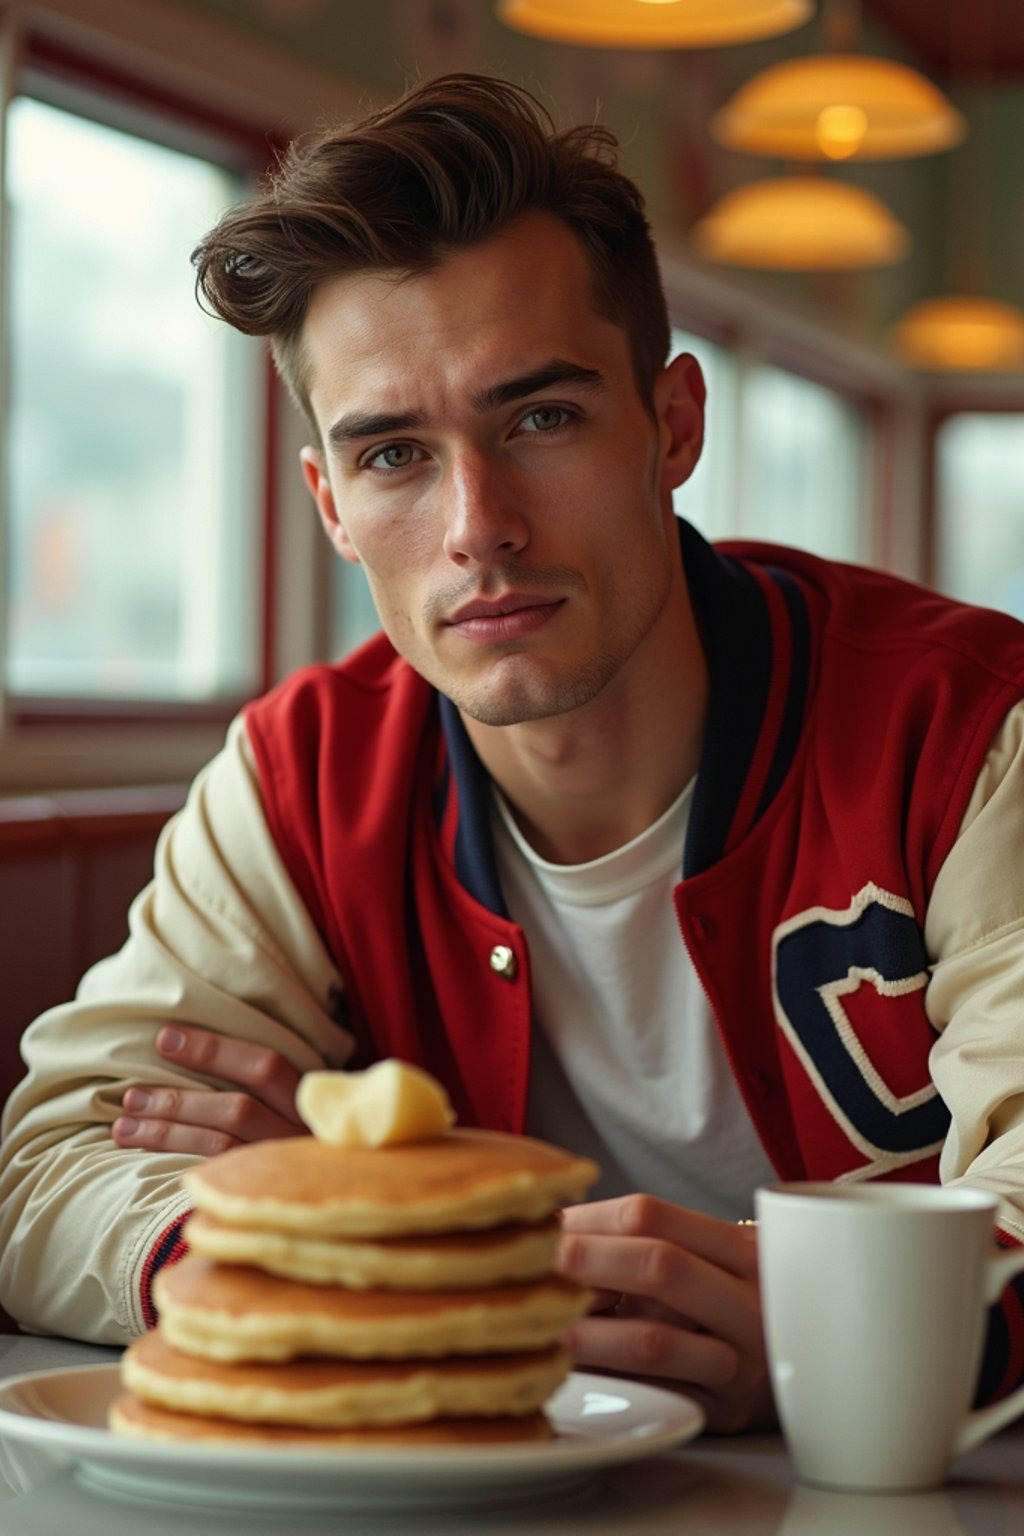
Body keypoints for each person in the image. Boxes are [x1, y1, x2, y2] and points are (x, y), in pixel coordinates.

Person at [2, 72, 1024, 1435]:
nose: (477, 524)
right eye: (393, 456)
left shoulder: (963, 725)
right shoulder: (303, 774)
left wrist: (843, 1334)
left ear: (671, 426)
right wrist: (338, 1260)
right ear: (330, 505)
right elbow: (55, 1168)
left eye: (540, 418)